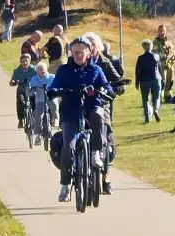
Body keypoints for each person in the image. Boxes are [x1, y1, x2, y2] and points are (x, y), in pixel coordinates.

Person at [53, 38, 112, 201]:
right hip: (70, 112)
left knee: (98, 115)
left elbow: (107, 87)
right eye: (75, 52)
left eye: (82, 52)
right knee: (68, 146)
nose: (78, 55)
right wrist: (55, 91)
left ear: (89, 52)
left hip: (91, 108)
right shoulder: (64, 70)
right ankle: (65, 186)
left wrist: (106, 91)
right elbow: (55, 85)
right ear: (71, 52)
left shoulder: (96, 70)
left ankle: (95, 153)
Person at [27, 61, 55, 144]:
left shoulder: (52, 77)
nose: (41, 71)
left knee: (54, 106)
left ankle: (54, 121)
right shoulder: (34, 79)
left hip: (50, 98)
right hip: (40, 99)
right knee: (38, 115)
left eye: (43, 69)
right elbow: (30, 89)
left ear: (46, 69)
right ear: (36, 71)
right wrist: (32, 90)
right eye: (39, 70)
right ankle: (38, 135)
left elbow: (57, 85)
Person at [135, 39, 162, 123]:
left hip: (144, 80)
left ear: (143, 47)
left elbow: (137, 71)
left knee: (145, 99)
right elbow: (160, 68)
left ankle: (147, 118)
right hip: (156, 78)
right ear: (151, 47)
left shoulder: (140, 58)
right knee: (156, 97)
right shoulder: (156, 56)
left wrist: (137, 82)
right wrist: (162, 78)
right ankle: (155, 110)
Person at [9, 54, 37, 129]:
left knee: (35, 101)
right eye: (23, 61)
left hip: (31, 89)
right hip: (21, 89)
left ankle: (35, 118)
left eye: (26, 61)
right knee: (20, 102)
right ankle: (21, 120)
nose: (25, 63)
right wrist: (13, 82)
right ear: (20, 62)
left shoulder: (34, 70)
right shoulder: (17, 71)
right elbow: (11, 82)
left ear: (29, 61)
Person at [152, 25, 175, 103]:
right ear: (158, 32)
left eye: (163, 31)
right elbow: (155, 53)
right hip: (161, 66)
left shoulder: (169, 41)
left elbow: (173, 52)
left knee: (170, 81)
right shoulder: (156, 42)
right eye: (160, 31)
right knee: (162, 82)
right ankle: (159, 98)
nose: (162, 32)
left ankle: (168, 97)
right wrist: (163, 56)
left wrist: (173, 56)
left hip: (170, 65)